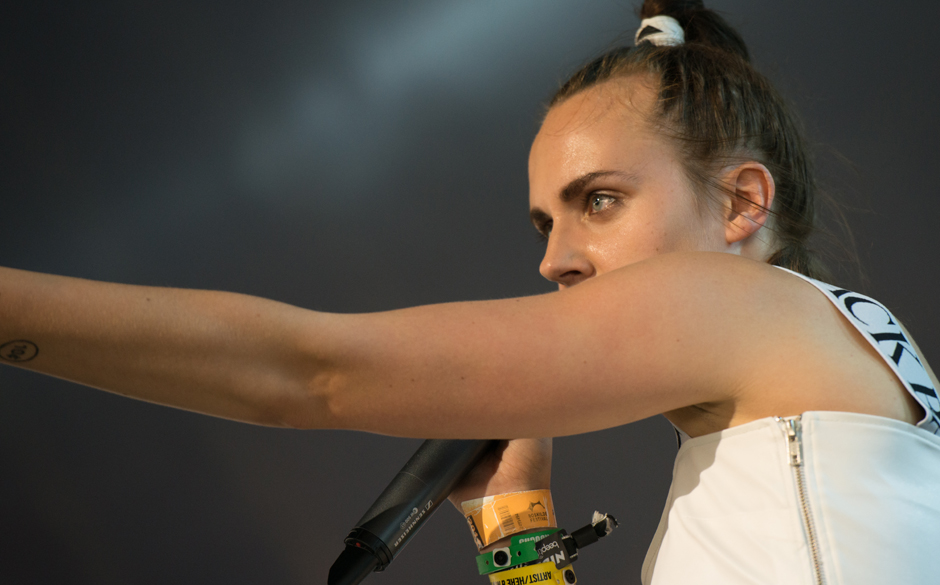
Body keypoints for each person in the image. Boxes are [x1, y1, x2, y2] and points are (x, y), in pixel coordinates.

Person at [2, 1, 938, 583]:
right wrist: (517, 529)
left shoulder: (753, 306)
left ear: (741, 203)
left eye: (599, 201)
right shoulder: (839, 395)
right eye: (544, 223)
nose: (555, 260)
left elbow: (309, 372)